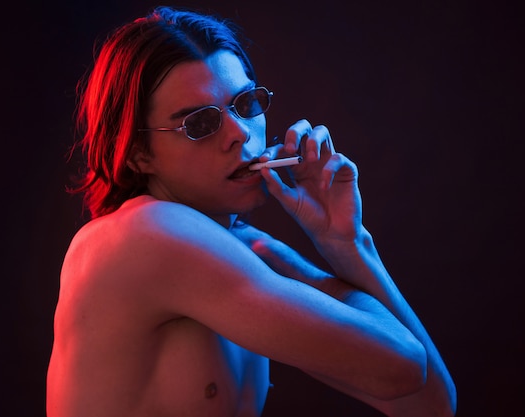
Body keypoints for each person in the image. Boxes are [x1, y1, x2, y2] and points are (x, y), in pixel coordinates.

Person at [46, 6, 456, 417]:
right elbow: (401, 366)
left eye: (245, 103)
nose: (240, 133)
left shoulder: (242, 252)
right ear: (137, 154)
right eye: (201, 123)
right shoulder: (147, 234)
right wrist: (288, 260)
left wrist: (347, 243)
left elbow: (427, 404)